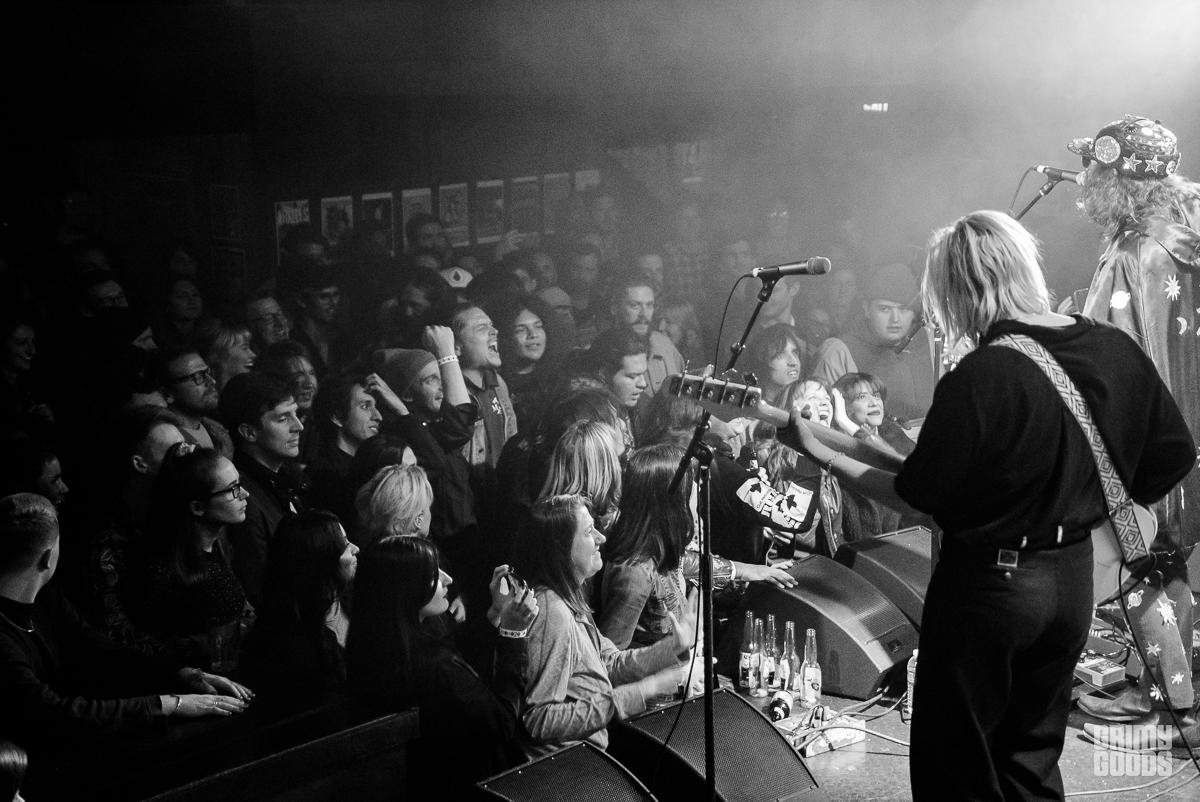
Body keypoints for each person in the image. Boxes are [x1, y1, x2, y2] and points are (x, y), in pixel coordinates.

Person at [778, 210, 1193, 799]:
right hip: (1072, 581)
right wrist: (1090, 501)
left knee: (958, 770)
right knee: (1031, 763)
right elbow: (1173, 456)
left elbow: (918, 493)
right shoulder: (1111, 346)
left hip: (993, 589)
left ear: (958, 291)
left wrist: (821, 453)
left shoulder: (981, 375)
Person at [1071, 115, 1199, 746]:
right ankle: (1172, 692)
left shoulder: (1131, 253)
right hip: (1188, 434)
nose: (1084, 182)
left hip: (1143, 439)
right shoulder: (1185, 235)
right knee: (1169, 559)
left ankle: (1170, 714)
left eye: (1093, 170)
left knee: (1135, 564)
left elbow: (1106, 355)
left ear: (1115, 176)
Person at [0, 493, 252, 757]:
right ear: (48, 557)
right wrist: (169, 704)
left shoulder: (46, 598)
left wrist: (181, 673)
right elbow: (56, 715)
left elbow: (101, 649)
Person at [347, 536, 536, 796]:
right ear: (406, 588)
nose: (448, 579)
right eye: (434, 574)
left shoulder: (383, 646)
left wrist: (494, 613)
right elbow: (501, 722)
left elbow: (457, 657)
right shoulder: (435, 667)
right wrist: (514, 635)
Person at [511, 494, 695, 757]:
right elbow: (539, 719)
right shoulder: (552, 612)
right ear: (561, 549)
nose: (601, 538)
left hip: (583, 758)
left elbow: (609, 663)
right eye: (589, 532)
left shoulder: (569, 597)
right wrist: (643, 691)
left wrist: (672, 648)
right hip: (566, 769)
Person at [135, 445, 250, 670]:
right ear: (197, 507)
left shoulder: (217, 550)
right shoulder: (169, 570)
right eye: (233, 489)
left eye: (240, 484)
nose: (245, 493)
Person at [242, 510, 357, 708]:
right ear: (321, 558)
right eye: (344, 544)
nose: (355, 548)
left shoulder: (351, 601)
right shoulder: (288, 642)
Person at [219, 372, 309, 608]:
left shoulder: (287, 480)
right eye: (283, 418)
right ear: (249, 432)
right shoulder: (244, 497)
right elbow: (258, 585)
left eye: (296, 414)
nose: (298, 426)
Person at [810, 262, 935, 422]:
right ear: (866, 309)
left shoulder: (927, 346)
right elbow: (821, 422)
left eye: (903, 309)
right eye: (885, 309)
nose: (895, 319)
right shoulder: (839, 351)